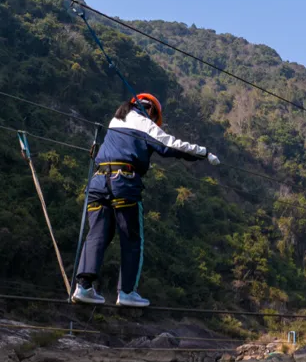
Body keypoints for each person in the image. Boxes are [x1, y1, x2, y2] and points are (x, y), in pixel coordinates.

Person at [72, 94, 220, 307]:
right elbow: (171, 146)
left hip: (97, 182)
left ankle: (83, 287)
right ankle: (127, 292)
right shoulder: (143, 123)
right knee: (131, 239)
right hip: (123, 182)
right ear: (150, 111)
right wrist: (203, 153)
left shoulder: (116, 121)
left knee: (97, 234)